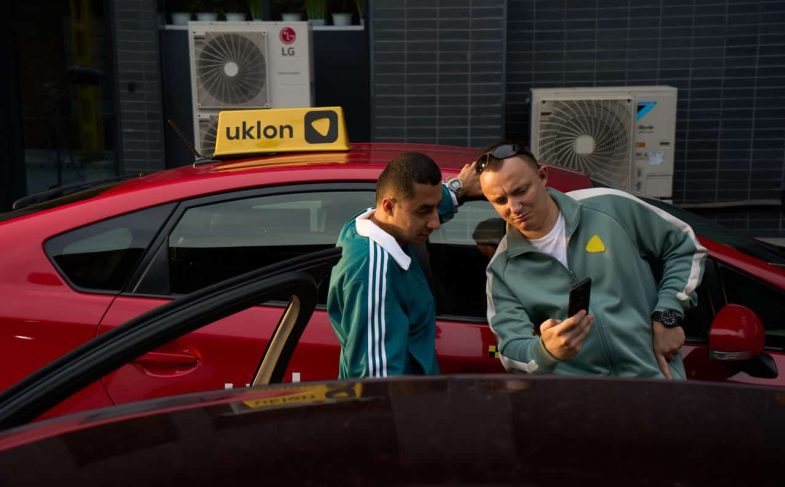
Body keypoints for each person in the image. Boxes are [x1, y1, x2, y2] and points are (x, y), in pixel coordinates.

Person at [478, 141, 706, 379]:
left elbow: (684, 247)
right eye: (500, 201)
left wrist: (667, 316)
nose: (514, 207)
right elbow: (511, 350)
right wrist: (545, 351)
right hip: (581, 398)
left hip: (654, 385)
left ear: (543, 176)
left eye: (521, 191)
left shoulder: (609, 207)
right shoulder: (502, 270)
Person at [327, 152, 480, 379]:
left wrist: (456, 189)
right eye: (424, 211)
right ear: (388, 207)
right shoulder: (373, 275)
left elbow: (414, 207)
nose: (435, 222)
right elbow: (376, 383)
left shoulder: (365, 225)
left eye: (436, 207)